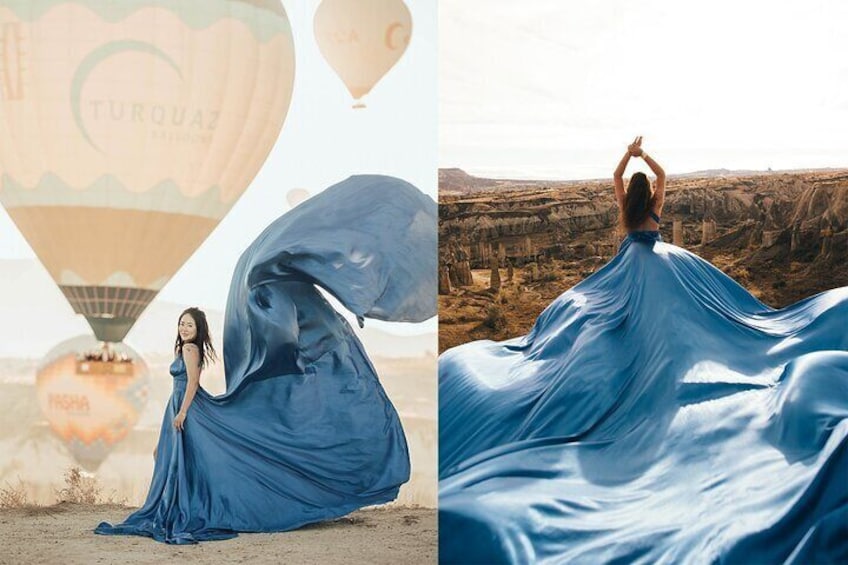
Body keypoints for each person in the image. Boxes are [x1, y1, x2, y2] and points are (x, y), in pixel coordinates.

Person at [438, 141, 848, 564]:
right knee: (675, 327)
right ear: (649, 192)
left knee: (607, 321)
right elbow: (665, 176)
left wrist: (627, 158)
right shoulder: (654, 205)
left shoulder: (627, 208)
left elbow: (615, 179)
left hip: (627, 267)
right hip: (660, 266)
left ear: (627, 196)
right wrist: (645, 159)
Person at [95, 174, 437, 544]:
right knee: (189, 450)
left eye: (189, 324)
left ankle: (193, 501)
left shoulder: (200, 341)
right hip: (183, 405)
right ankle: (200, 499)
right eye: (182, 324)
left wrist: (182, 411)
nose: (184, 328)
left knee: (191, 450)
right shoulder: (255, 283)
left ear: (197, 330)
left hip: (183, 404)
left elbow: (195, 381)